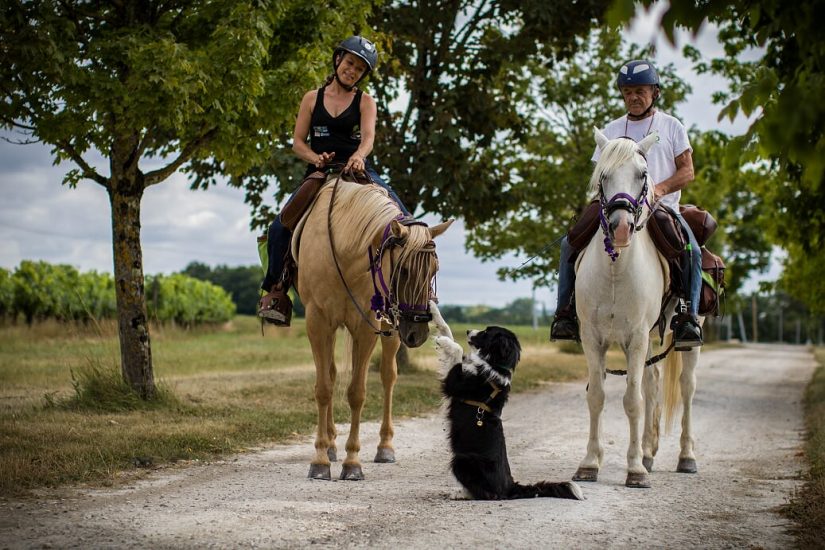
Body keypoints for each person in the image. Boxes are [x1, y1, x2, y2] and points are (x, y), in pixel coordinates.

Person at [257, 36, 411, 326]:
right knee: (278, 228)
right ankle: (276, 292)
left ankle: (404, 294)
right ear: (338, 59)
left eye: (359, 69)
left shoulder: (365, 102)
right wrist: (314, 158)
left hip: (356, 169)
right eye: (350, 63)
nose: (352, 71)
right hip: (321, 172)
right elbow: (297, 143)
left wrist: (359, 156)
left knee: (405, 220)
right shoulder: (311, 98)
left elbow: (368, 139)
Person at [550, 59, 704, 349]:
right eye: (627, 91)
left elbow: (687, 171)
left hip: (660, 206)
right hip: (614, 205)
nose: (633, 97)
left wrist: (659, 188)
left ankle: (688, 317)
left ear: (655, 92)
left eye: (640, 91)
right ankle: (565, 313)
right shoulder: (611, 130)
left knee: (691, 250)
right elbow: (599, 175)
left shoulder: (672, 126)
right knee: (569, 243)